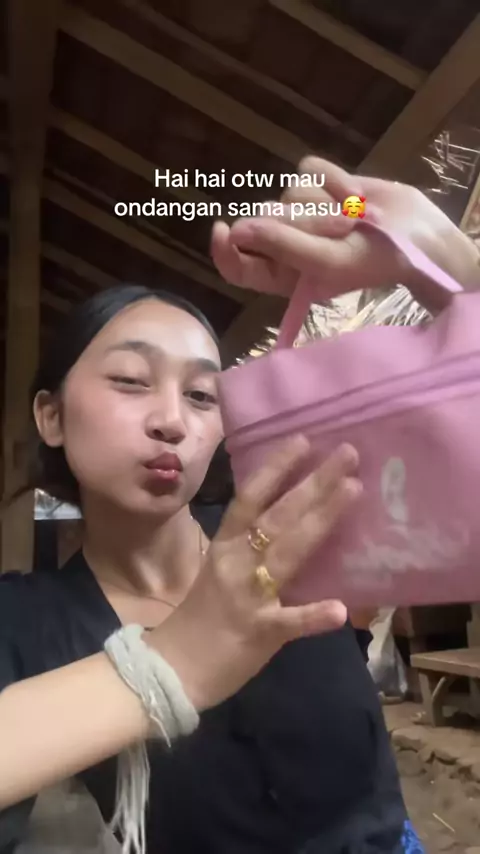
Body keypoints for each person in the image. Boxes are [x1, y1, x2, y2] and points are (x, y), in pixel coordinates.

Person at [1, 154, 473, 853]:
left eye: (202, 395)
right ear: (51, 416)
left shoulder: (304, 528)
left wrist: (436, 253)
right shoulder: (25, 619)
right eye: (130, 380)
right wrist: (168, 665)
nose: (173, 421)